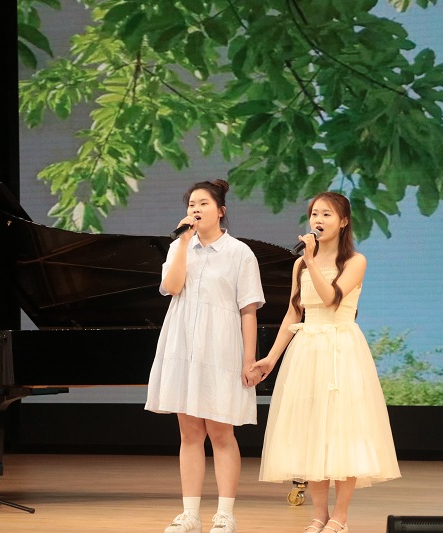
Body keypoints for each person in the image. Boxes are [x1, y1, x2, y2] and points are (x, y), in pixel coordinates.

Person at [250, 192, 400, 533]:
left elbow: (332, 299)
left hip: (341, 349)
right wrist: (272, 357)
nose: (318, 220)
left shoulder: (355, 262)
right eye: (314, 213)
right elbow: (294, 312)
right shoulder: (300, 264)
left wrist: (312, 261)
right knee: (310, 433)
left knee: (343, 433)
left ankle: (340, 517)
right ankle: (319, 515)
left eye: (327, 214)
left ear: (343, 221)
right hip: (307, 351)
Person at [145, 179, 265, 533]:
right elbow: (173, 287)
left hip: (221, 348)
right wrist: (183, 242)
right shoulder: (178, 246)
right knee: (189, 433)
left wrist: (249, 359)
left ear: (220, 211)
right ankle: (191, 515)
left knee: (221, 432)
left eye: (203, 204)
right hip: (183, 346)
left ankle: (225, 514)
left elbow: (248, 311)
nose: (195, 210)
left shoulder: (240, 253)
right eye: (191, 205)